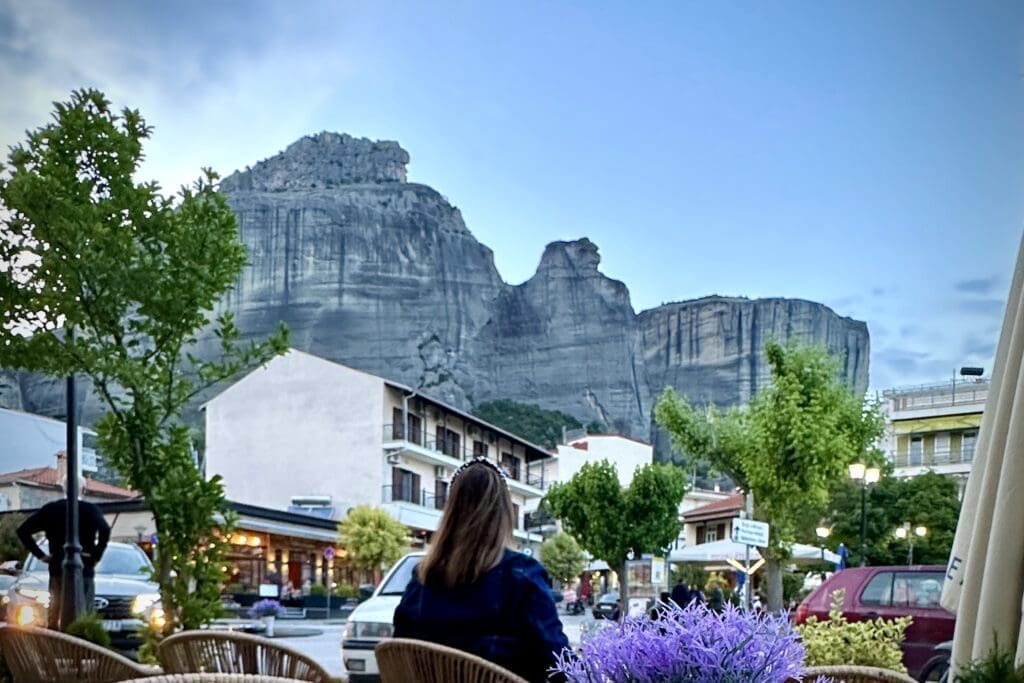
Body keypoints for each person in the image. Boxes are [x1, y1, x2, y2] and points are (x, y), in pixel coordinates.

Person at [393, 457, 569, 681]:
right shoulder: (523, 577)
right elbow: (561, 666)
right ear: (504, 514)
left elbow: (401, 652)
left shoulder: (422, 580)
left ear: (451, 512)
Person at [17, 475, 111, 629]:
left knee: (55, 614)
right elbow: (105, 529)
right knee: (83, 617)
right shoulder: (90, 510)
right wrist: (95, 555)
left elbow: (23, 531)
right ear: (84, 489)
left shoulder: (51, 510)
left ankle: (57, 647)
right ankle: (79, 648)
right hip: (85, 568)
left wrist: (41, 555)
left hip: (57, 568)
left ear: (63, 489)